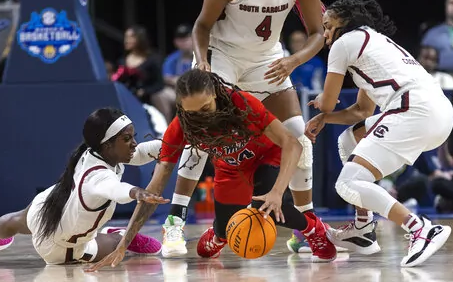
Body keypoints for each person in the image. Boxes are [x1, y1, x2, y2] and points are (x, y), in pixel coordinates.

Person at [162, 0, 326, 257]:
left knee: (298, 138)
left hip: (268, 59)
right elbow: (202, 26)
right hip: (223, 56)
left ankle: (305, 225)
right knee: (201, 131)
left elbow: (318, 33)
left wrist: (294, 61)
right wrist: (203, 61)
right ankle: (175, 220)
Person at [86, 69, 337, 271]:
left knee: (269, 207)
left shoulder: (241, 103)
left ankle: (313, 229)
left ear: (216, 95)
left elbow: (292, 144)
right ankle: (219, 232)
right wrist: (123, 244)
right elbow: (155, 187)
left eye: (205, 109)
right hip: (229, 168)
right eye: (191, 112)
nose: (200, 118)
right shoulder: (182, 126)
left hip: (264, 156)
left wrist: (277, 192)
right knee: (222, 231)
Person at [304, 0, 453, 267]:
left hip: (415, 110)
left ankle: (420, 228)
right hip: (436, 111)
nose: (324, 33)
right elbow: (362, 111)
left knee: (347, 184)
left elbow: (326, 101)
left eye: (327, 26)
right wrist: (327, 118)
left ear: (343, 24)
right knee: (349, 138)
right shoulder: (371, 41)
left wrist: (322, 108)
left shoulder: (344, 43)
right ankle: (363, 230)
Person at [0, 108, 171, 265]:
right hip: (62, 247)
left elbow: (142, 152)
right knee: (116, 244)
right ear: (107, 145)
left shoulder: (92, 151)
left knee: (15, 220)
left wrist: (175, 143)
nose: (134, 143)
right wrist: (137, 192)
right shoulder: (98, 176)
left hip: (50, 205)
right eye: (127, 139)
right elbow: (115, 189)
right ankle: (115, 233)